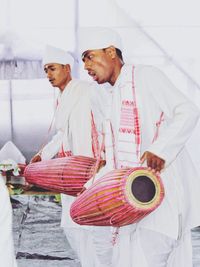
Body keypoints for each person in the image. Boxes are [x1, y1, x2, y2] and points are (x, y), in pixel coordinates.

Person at [79, 27, 200, 267]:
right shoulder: (111, 96)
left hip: (162, 196)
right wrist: (93, 186)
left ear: (111, 52)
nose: (85, 66)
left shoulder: (146, 76)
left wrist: (161, 149)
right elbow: (117, 160)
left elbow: (187, 110)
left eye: (90, 56)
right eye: (83, 61)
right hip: (134, 199)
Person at [30, 45, 107, 267]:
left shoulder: (87, 90)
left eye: (52, 69)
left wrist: (104, 156)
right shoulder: (62, 98)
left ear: (66, 67)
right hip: (70, 174)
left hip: (92, 170)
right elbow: (63, 134)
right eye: (45, 70)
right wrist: (43, 155)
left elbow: (105, 122)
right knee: (72, 226)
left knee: (94, 229)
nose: (48, 75)